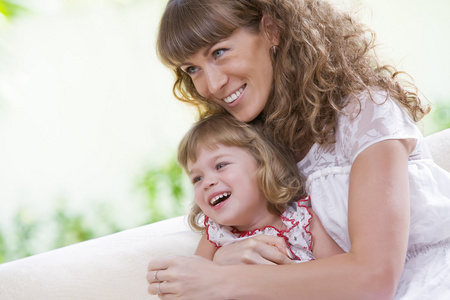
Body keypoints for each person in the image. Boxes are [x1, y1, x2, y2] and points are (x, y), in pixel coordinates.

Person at [147, 0, 450, 299]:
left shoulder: (365, 114)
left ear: (271, 30)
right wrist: (224, 260)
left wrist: (223, 279)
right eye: (192, 69)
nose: (211, 85)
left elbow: (375, 278)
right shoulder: (248, 153)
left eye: (220, 52)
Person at [177, 114, 343, 263]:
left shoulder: (303, 224)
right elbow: (195, 283)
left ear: (265, 165)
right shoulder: (216, 235)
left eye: (221, 165)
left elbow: (343, 276)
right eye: (197, 178)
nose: (207, 183)